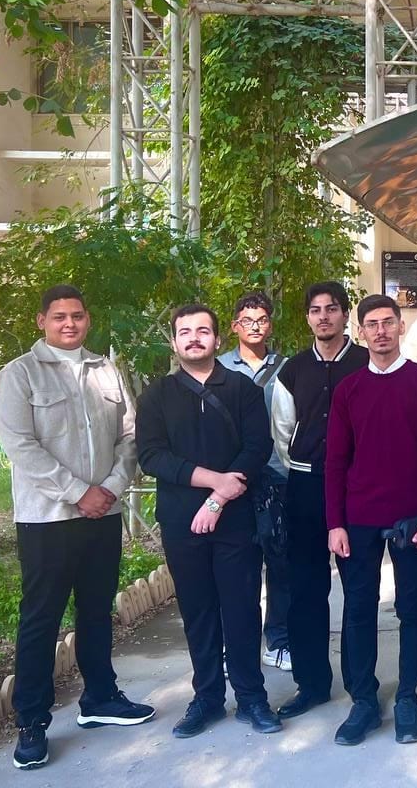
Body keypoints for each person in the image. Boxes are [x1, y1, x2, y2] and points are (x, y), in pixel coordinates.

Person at [0, 285, 154, 770]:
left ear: (88, 320)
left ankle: (100, 698)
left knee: (97, 610)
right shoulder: (20, 374)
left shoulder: (106, 370)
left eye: (78, 316)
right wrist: (78, 491)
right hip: (48, 519)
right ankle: (32, 721)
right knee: (40, 619)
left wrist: (110, 488)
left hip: (102, 514)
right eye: (60, 316)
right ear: (41, 320)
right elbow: (20, 445)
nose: (70, 323)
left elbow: (130, 436)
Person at [136, 303, 280, 738]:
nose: (194, 338)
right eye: (185, 332)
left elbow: (258, 447)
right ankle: (208, 698)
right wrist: (214, 480)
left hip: (236, 521)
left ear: (218, 339)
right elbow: (152, 456)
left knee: (241, 609)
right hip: (181, 522)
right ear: (175, 342)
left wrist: (218, 498)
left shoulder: (241, 389)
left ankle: (252, 697)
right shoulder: (156, 396)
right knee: (198, 612)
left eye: (203, 331)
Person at [325, 295, 417, 745]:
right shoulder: (349, 390)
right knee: (358, 609)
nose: (380, 331)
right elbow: (335, 461)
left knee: (411, 609)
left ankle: (407, 700)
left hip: (413, 517)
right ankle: (363, 700)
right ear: (360, 332)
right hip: (358, 517)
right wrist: (334, 523)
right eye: (372, 324)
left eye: (388, 322)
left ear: (401, 327)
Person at [270, 281, 370, 720]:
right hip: (306, 488)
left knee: (358, 588)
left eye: (332, 308)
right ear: (308, 317)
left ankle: (360, 685)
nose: (324, 316)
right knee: (306, 589)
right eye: (315, 310)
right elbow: (281, 434)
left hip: (357, 489)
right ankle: (311, 684)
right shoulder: (292, 370)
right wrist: (306, 465)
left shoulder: (366, 363)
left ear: (345, 314)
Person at [218, 291, 291, 672]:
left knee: (280, 564)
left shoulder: (287, 368)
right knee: (238, 570)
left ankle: (278, 641)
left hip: (278, 475)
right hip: (233, 480)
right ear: (234, 326)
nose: (255, 327)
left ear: (271, 325)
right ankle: (236, 646)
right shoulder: (218, 368)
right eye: (247, 321)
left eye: (261, 320)